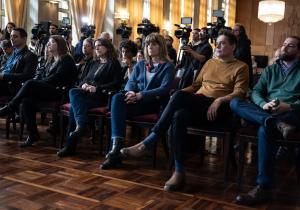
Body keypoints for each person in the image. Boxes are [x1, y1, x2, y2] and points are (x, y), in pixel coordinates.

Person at [120, 30, 249, 191]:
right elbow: (195, 86)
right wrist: (177, 95)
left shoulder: (241, 66)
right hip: (201, 104)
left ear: (233, 46)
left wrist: (219, 100)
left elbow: (240, 92)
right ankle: (179, 171)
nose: (218, 46)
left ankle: (150, 141)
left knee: (179, 97)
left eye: (223, 43)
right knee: (179, 114)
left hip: (221, 108)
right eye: (218, 42)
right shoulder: (210, 63)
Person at [229, 36, 300, 206]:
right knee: (235, 102)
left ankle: (263, 187)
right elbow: (256, 92)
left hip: (292, 114)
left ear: (299, 51)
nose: (285, 48)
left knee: (264, 129)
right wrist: (263, 103)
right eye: (284, 44)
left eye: (290, 46)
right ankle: (273, 122)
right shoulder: (271, 69)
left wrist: (289, 106)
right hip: (269, 111)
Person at [99, 33, 175, 169]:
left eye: (154, 44)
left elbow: (164, 89)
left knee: (117, 105)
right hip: (136, 101)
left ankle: (115, 153)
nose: (149, 47)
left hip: (152, 105)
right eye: (147, 44)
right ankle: (117, 147)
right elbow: (131, 82)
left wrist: (141, 95)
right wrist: (131, 92)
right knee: (117, 97)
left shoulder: (168, 66)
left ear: (161, 46)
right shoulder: (141, 64)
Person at [0, 35, 78, 147]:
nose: (48, 44)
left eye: (52, 42)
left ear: (59, 45)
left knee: (30, 83)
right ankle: (33, 134)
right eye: (48, 43)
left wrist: (37, 83)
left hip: (60, 92)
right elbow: (40, 75)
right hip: (48, 90)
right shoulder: (51, 60)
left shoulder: (66, 59)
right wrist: (37, 81)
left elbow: (55, 79)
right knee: (27, 100)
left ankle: (10, 107)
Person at [57, 38, 122, 157]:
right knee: (73, 92)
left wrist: (97, 88)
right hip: (86, 96)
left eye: (100, 46)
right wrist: (84, 85)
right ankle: (81, 126)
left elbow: (117, 84)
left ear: (107, 47)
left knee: (73, 108)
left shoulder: (113, 63)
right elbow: (83, 80)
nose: (96, 48)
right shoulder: (93, 62)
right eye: (96, 46)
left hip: (100, 97)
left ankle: (70, 145)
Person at [0, 28, 38, 97]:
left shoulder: (31, 56)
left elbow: (26, 76)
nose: (11, 39)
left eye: (15, 36)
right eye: (11, 36)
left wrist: (3, 76)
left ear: (24, 39)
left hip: (12, 85)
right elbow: (6, 67)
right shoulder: (12, 53)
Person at [233, 23, 253, 88]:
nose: (233, 32)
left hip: (243, 67)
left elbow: (239, 55)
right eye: (233, 30)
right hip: (236, 66)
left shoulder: (246, 42)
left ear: (241, 31)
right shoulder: (234, 41)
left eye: (236, 30)